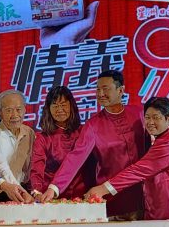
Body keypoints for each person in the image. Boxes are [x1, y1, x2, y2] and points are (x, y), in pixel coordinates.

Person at [38, 70, 147, 218]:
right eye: (98, 89)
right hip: (112, 199)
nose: (100, 94)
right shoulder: (93, 125)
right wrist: (54, 188)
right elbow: (75, 158)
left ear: (121, 90)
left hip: (145, 197)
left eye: (105, 89)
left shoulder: (140, 113)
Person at [86, 96, 169, 224]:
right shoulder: (164, 137)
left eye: (156, 117)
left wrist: (103, 189)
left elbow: (139, 170)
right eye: (147, 117)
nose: (150, 122)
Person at [29, 86, 88, 199]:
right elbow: (36, 167)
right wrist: (36, 191)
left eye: (63, 105)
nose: (59, 109)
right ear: (48, 109)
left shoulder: (84, 132)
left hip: (81, 196)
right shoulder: (42, 138)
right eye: (55, 105)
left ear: (71, 106)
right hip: (51, 197)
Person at [0, 89, 35, 193]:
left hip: (23, 188)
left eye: (19, 109)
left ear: (25, 110)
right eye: (9, 110)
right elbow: (1, 169)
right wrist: (21, 192)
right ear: (0, 113)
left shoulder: (29, 132)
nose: (15, 115)